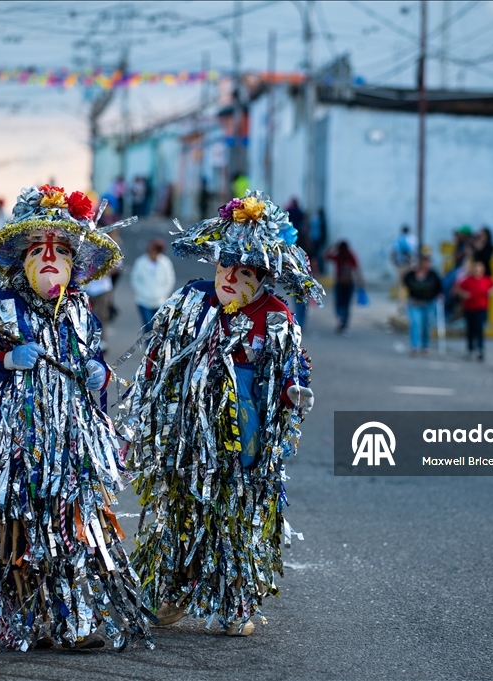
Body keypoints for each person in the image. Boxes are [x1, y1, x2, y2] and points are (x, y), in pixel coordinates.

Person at [0, 183, 153, 652]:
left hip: (70, 444)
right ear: (20, 259)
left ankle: (71, 620)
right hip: (14, 448)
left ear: (74, 264)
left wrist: (96, 373)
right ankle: (23, 621)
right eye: (38, 250)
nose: (50, 258)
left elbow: (91, 359)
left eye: (61, 251)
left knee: (72, 529)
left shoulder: (81, 312)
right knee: (18, 531)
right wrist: (4, 363)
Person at [121, 190, 321, 637]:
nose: (230, 276)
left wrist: (293, 391)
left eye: (244, 270)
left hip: (242, 434)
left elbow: (291, 371)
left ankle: (235, 603)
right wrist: (147, 405)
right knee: (181, 505)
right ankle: (172, 591)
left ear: (263, 277)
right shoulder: (192, 299)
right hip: (187, 431)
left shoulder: (276, 315)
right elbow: (159, 357)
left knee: (234, 513)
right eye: (225, 264)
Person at [456, 260, 493, 361]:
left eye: (478, 268)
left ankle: (480, 349)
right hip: (469, 307)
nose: (476, 270)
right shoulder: (468, 280)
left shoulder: (486, 280)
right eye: (475, 268)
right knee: (470, 329)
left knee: (479, 328)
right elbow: (457, 288)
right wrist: (463, 294)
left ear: (482, 269)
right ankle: (470, 349)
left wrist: (491, 292)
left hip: (481, 307)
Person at [130, 238, 176, 330]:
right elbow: (135, 279)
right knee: (148, 326)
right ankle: (148, 344)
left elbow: (170, 280)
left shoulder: (165, 263)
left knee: (158, 327)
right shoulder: (140, 262)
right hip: (143, 300)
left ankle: (155, 345)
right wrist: (143, 293)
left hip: (160, 301)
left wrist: (162, 294)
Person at [404, 254, 443, 356]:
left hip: (429, 303)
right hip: (414, 303)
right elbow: (405, 284)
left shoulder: (433, 274)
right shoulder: (411, 275)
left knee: (427, 325)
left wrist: (440, 296)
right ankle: (414, 346)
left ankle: (425, 345)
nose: (427, 264)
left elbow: (439, 287)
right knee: (415, 324)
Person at [325, 240, 363, 335]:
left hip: (340, 283)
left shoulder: (338, 256)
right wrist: (361, 280)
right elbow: (356, 268)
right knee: (347, 304)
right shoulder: (351, 255)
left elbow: (325, 256)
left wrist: (332, 246)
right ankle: (344, 324)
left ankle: (341, 318)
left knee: (339, 303)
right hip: (350, 283)